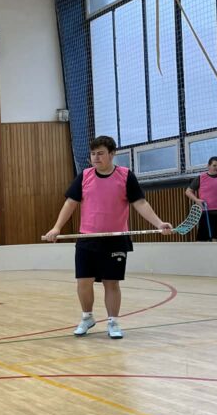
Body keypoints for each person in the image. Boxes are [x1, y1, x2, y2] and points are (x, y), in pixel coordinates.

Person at [43, 136, 172, 339]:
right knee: (83, 282)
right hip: (87, 239)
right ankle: (87, 317)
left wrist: (159, 223)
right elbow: (70, 203)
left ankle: (113, 321)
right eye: (93, 154)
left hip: (115, 239)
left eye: (101, 153)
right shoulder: (84, 176)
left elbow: (140, 203)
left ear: (112, 154)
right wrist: (57, 227)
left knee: (111, 283)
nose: (96, 157)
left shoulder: (125, 176)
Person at [185, 156, 217, 241]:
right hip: (206, 212)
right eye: (214, 165)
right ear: (208, 166)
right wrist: (197, 200)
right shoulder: (201, 178)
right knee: (202, 239)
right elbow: (188, 191)